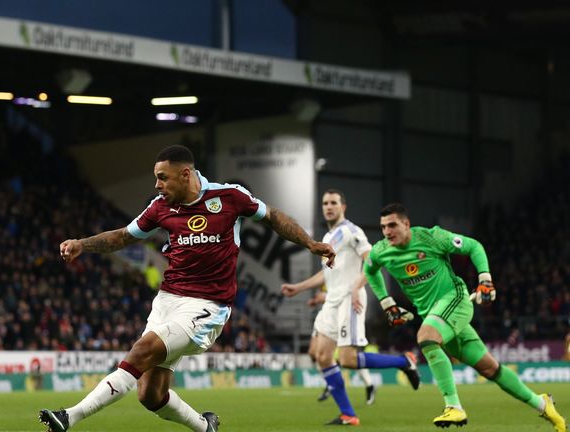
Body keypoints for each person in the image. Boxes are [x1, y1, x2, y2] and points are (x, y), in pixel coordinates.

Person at [39, 145, 335, 432]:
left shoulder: (229, 196)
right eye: (156, 177)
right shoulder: (160, 208)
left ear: (185, 174)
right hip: (167, 301)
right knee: (150, 395)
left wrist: (309, 243)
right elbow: (123, 236)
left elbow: (272, 216)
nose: (157, 185)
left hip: (208, 306)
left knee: (141, 351)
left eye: (162, 177)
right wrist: (82, 244)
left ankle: (69, 417)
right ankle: (205, 426)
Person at [364, 203, 566, 430]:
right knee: (490, 369)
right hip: (436, 316)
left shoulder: (432, 238)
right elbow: (369, 271)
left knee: (426, 337)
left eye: (392, 225)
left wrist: (485, 280)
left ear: (407, 224)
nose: (387, 232)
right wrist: (387, 303)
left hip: (456, 300)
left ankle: (453, 406)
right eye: (383, 227)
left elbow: (474, 247)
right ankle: (543, 405)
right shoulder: (380, 250)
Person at [281, 190, 419, 426]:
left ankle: (404, 361)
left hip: (349, 299)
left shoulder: (351, 231)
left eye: (334, 202)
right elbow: (326, 273)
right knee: (322, 356)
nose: (329, 206)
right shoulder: (327, 236)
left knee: (347, 359)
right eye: (325, 203)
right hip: (332, 301)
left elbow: (371, 259)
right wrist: (299, 287)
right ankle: (349, 415)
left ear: (343, 206)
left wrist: (358, 285)